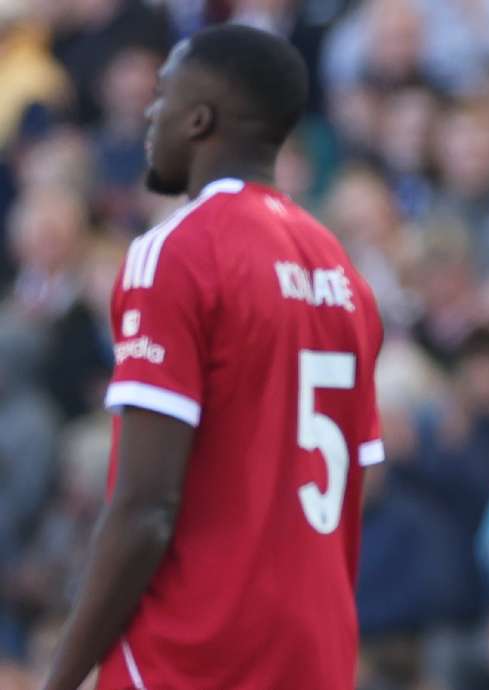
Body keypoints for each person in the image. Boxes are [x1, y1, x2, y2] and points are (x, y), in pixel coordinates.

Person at [41, 25, 384, 690]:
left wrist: (61, 677)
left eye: (163, 95)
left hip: (197, 650)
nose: (149, 112)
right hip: (314, 652)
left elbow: (145, 507)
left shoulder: (175, 251)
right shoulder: (345, 275)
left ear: (199, 119)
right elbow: (354, 486)